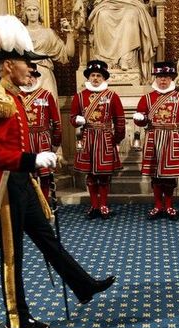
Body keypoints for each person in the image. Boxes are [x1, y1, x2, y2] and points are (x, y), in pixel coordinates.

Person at [0, 15, 115, 328]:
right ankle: (17, 316)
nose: (31, 69)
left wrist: (35, 163)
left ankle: (82, 285)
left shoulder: (14, 98)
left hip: (22, 182)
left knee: (47, 239)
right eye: (27, 63)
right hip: (4, 188)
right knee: (13, 255)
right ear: (10, 65)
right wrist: (32, 158)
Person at [132, 61, 179, 220]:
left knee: (170, 176)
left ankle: (170, 205)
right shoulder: (146, 98)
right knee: (155, 176)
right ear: (156, 78)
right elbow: (141, 121)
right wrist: (139, 119)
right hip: (153, 138)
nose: (162, 80)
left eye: (166, 77)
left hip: (172, 139)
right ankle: (158, 205)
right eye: (159, 77)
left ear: (172, 78)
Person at [70, 60, 125, 219]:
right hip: (87, 138)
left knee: (104, 175)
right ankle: (94, 205)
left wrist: (116, 139)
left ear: (104, 78)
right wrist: (77, 121)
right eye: (93, 75)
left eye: (98, 75)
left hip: (106, 139)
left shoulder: (112, 96)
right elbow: (72, 118)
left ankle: (104, 205)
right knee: (90, 175)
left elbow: (119, 120)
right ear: (88, 77)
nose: (95, 78)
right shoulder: (79, 96)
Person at [84, 0, 159, 83]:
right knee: (103, 15)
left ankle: (126, 58)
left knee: (131, 14)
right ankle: (106, 60)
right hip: (107, 4)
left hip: (131, 3)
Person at [20, 62, 62, 200]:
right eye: (27, 76)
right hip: (24, 139)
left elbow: (56, 122)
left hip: (42, 138)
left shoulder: (46, 95)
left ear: (37, 78)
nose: (30, 79)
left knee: (44, 175)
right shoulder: (16, 96)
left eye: (33, 76)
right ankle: (31, 202)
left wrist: (56, 142)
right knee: (27, 174)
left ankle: (44, 201)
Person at [21, 0, 75, 99]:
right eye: (29, 10)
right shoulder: (19, 33)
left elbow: (69, 54)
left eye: (35, 9)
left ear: (39, 12)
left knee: (48, 109)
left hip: (44, 76)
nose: (32, 13)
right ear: (25, 12)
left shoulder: (48, 33)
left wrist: (69, 33)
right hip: (25, 76)